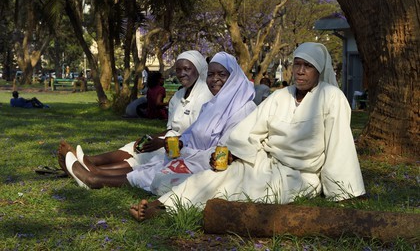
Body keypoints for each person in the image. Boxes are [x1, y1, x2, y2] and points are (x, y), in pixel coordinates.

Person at [130, 42, 366, 221]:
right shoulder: (280, 96)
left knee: (247, 190)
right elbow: (251, 129)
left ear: (319, 70)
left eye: (308, 66)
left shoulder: (331, 97)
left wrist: (342, 190)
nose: (301, 71)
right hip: (263, 161)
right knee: (216, 176)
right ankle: (163, 206)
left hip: (299, 174)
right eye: (297, 65)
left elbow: (339, 146)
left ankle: (185, 210)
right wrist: (232, 153)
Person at [63, 52, 256, 192]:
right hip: (189, 153)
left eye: (221, 74)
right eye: (211, 74)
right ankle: (96, 173)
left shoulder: (244, 109)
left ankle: (94, 178)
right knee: (156, 164)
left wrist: (183, 148)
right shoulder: (213, 105)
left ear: (234, 77)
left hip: (210, 164)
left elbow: (231, 149)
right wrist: (181, 143)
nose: (214, 79)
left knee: (159, 170)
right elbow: (190, 134)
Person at [57, 50, 213, 177]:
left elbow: (198, 137)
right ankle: (87, 161)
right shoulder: (178, 96)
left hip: (189, 147)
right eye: (178, 70)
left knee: (148, 156)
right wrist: (153, 137)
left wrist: (161, 143)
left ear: (199, 69)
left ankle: (96, 172)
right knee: (135, 146)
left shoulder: (207, 97)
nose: (181, 74)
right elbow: (171, 128)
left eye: (187, 69)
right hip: (170, 139)